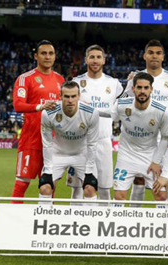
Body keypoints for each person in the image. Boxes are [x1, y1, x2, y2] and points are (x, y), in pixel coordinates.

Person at [124, 40, 168, 207]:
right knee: (139, 175)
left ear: (163, 57)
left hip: (163, 135)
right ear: (145, 56)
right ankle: (134, 216)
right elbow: (123, 103)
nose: (154, 56)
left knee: (167, 176)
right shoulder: (135, 78)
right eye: (150, 52)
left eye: (158, 53)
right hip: (139, 135)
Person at [65, 45, 125, 202]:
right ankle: (75, 224)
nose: (95, 60)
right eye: (91, 57)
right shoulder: (76, 82)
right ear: (86, 60)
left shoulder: (114, 84)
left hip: (103, 142)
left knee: (105, 190)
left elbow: (121, 108)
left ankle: (105, 224)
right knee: (77, 191)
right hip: (80, 142)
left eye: (99, 57)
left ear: (104, 60)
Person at [11, 40, 64, 203]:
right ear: (36, 56)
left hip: (54, 142)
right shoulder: (25, 78)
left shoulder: (61, 80)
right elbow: (18, 105)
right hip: (31, 139)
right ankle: (12, 221)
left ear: (55, 56)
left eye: (51, 53)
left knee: (50, 185)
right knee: (22, 183)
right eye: (43, 53)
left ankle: (47, 222)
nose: (47, 57)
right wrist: (40, 106)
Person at [113, 72, 168, 207]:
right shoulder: (122, 105)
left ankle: (163, 227)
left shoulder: (162, 111)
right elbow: (107, 114)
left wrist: (157, 161)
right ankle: (119, 225)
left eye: (146, 88)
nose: (142, 91)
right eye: (139, 87)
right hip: (126, 156)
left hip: (150, 156)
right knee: (119, 196)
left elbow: (165, 138)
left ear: (151, 89)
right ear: (133, 89)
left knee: (161, 196)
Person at [39, 81, 100, 205]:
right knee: (45, 188)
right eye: (66, 96)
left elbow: (92, 145)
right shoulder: (48, 113)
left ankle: (90, 223)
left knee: (90, 189)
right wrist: (48, 169)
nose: (70, 100)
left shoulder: (91, 113)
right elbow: (47, 144)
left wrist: (88, 171)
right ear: (60, 97)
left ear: (79, 96)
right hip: (58, 153)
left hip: (82, 154)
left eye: (73, 96)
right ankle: (44, 221)